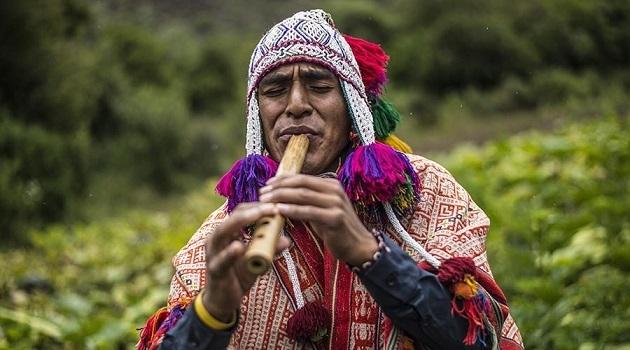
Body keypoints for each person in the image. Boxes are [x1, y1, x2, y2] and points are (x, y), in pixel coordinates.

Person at [137, 9, 524, 350]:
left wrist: (368, 253)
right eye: (274, 91)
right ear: (258, 116)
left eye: (320, 87)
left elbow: (477, 339)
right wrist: (213, 312)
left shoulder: (423, 190)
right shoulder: (226, 232)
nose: (296, 105)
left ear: (351, 108)